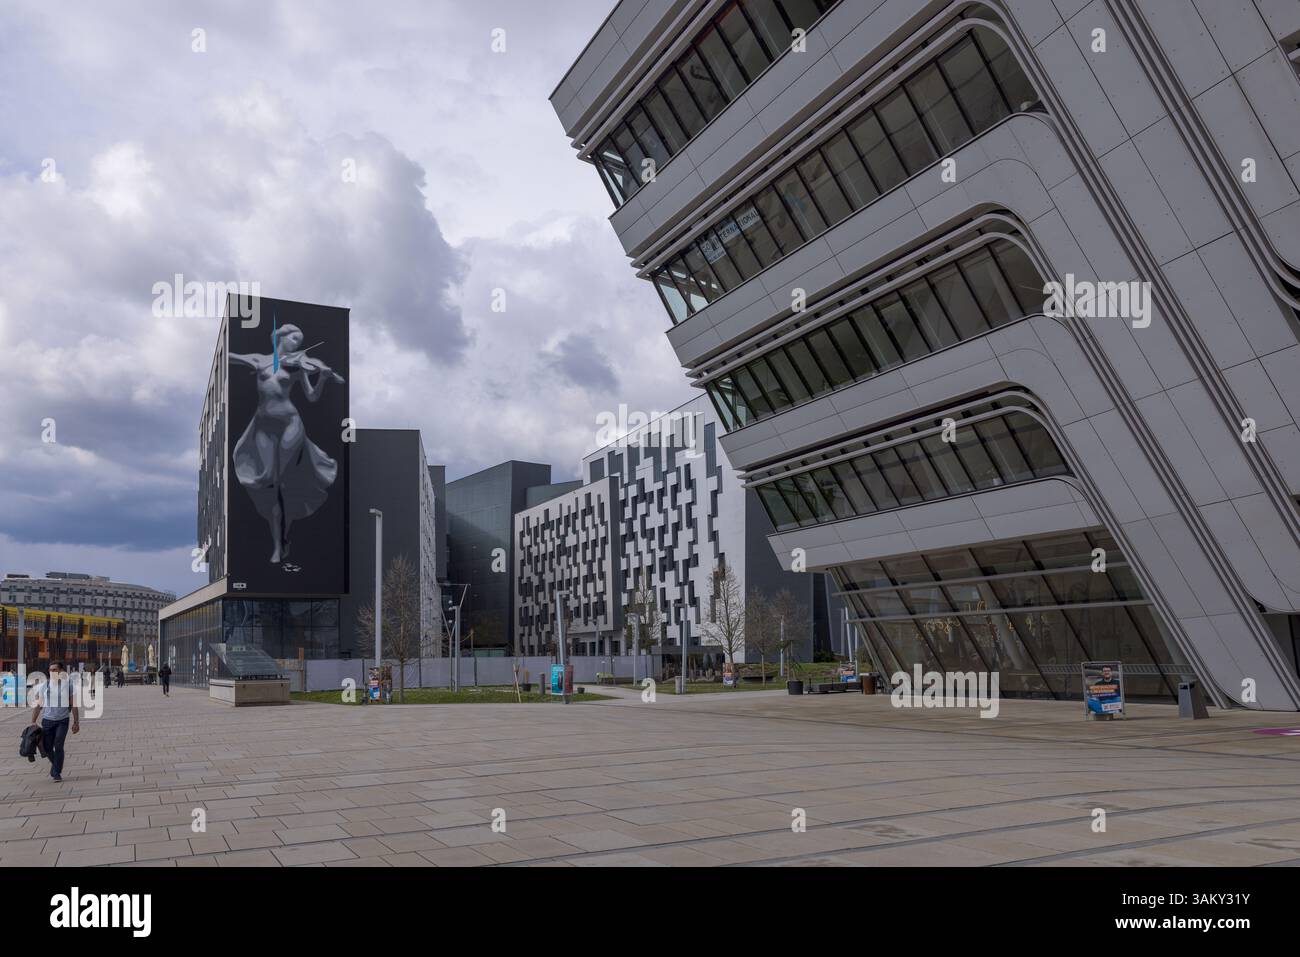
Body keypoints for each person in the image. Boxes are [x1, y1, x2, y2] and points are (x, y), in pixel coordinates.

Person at [229, 319, 345, 566]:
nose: (297, 345)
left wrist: (323, 377)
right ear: (281, 337)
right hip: (262, 427)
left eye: (300, 342)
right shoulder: (259, 360)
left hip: (290, 424)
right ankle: (280, 542)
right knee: (268, 484)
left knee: (280, 482)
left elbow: (312, 396)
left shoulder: (299, 366)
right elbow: (228, 356)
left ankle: (279, 543)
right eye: (294, 339)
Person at [30, 661, 79, 782]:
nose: (52, 672)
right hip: (47, 721)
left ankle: (56, 772)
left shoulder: (68, 685)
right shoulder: (45, 685)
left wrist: (76, 722)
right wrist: (33, 721)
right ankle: (57, 766)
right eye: (50, 670)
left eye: (55, 670)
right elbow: (38, 705)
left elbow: (74, 705)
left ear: (61, 671)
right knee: (46, 748)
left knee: (58, 744)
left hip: (62, 721)